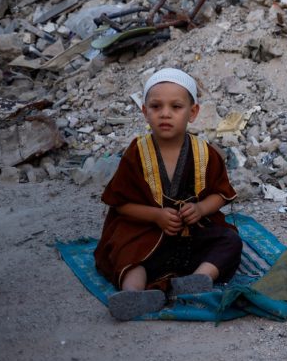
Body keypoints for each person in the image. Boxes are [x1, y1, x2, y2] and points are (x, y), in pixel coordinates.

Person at [95, 68, 241, 321]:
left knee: (230, 241)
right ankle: (135, 294)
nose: (165, 114)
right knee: (125, 249)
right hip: (149, 236)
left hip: (193, 235)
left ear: (193, 112)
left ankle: (199, 279)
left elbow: (220, 194)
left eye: (176, 107)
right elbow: (120, 204)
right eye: (156, 106)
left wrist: (200, 210)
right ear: (144, 112)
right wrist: (156, 216)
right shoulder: (136, 153)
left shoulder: (206, 153)